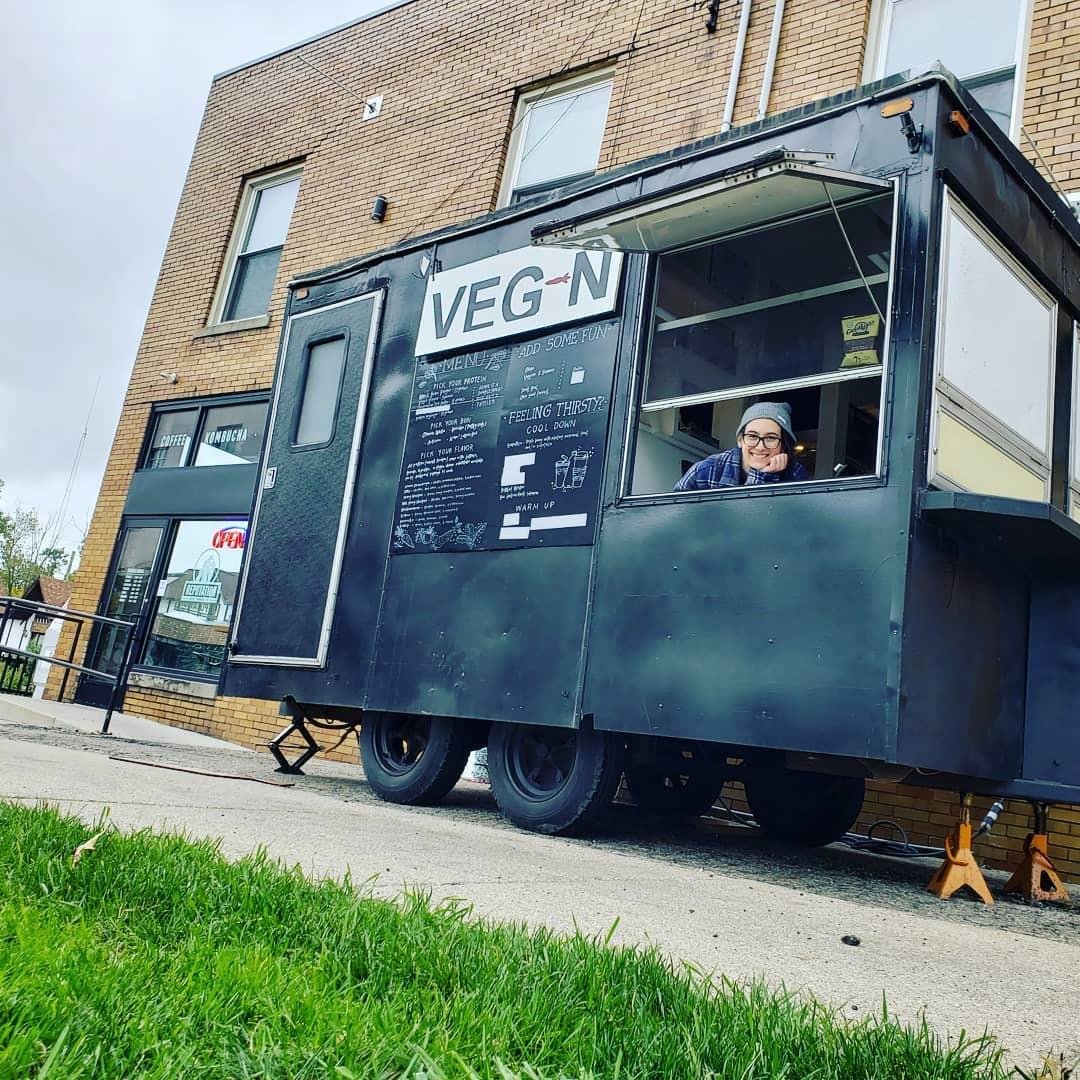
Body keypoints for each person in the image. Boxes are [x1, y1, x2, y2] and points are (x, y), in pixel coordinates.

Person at [675, 401, 809, 490]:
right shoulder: (706, 471)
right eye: (752, 436)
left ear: (783, 446)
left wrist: (765, 477)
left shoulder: (795, 475)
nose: (760, 446)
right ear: (740, 440)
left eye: (770, 438)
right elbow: (673, 516)